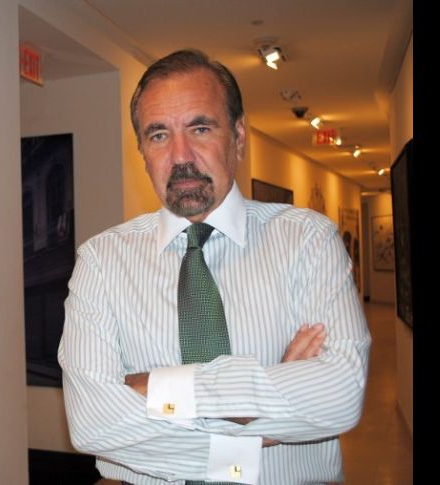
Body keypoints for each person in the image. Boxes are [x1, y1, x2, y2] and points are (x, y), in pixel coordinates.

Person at [58, 49, 371, 485]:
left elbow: (340, 395)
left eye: (200, 128)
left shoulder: (308, 241)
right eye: (159, 135)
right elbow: (93, 424)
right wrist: (259, 418)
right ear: (142, 151)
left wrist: (161, 389)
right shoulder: (101, 262)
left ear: (239, 136)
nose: (180, 155)